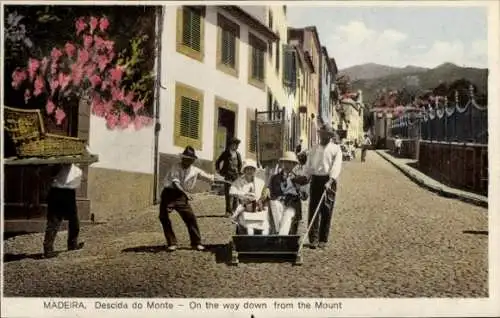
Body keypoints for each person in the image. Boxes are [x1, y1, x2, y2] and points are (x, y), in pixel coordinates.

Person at [159, 146, 219, 251]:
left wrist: (223, 180)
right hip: (169, 194)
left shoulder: (195, 170)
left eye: (189, 160)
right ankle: (171, 243)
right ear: (182, 158)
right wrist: (185, 193)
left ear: (192, 161)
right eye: (185, 159)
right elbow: (175, 182)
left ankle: (196, 243)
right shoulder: (175, 167)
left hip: (181, 197)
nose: (186, 161)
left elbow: (208, 177)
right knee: (163, 217)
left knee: (190, 218)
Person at [295, 123, 342, 249]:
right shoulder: (314, 148)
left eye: (325, 135)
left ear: (330, 136)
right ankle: (313, 239)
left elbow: (336, 166)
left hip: (329, 181)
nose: (322, 137)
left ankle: (323, 239)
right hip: (316, 180)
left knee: (327, 209)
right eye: (321, 134)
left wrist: (330, 180)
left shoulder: (335, 149)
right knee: (313, 209)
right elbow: (309, 167)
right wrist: (305, 177)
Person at [43, 164, 85, 259]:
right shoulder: (58, 165)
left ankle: (72, 244)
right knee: (55, 221)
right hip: (59, 192)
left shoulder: (75, 167)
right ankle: (48, 249)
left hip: (66, 192)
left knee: (73, 220)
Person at [268, 152, 306, 235]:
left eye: (290, 163)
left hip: (292, 205)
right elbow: (271, 194)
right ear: (281, 163)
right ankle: (279, 233)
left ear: (294, 165)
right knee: (273, 203)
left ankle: (281, 235)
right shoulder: (274, 178)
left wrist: (298, 189)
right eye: (285, 162)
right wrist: (278, 198)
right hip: (279, 205)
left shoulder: (298, 178)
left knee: (288, 214)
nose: (287, 165)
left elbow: (304, 196)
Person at [230, 159, 270, 235]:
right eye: (247, 169)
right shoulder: (239, 181)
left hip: (258, 209)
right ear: (244, 170)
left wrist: (264, 196)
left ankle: (264, 244)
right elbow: (232, 191)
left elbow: (264, 195)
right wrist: (243, 195)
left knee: (265, 228)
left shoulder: (260, 182)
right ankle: (250, 244)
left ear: (254, 170)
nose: (249, 171)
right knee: (249, 229)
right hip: (245, 209)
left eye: (252, 169)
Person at [215, 137, 242, 216]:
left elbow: (240, 164)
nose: (236, 147)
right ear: (231, 145)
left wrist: (239, 173)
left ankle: (234, 210)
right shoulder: (225, 153)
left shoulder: (238, 154)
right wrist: (218, 170)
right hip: (228, 176)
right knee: (228, 194)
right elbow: (218, 161)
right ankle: (228, 211)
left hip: (236, 177)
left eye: (237, 145)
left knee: (235, 194)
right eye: (235, 145)